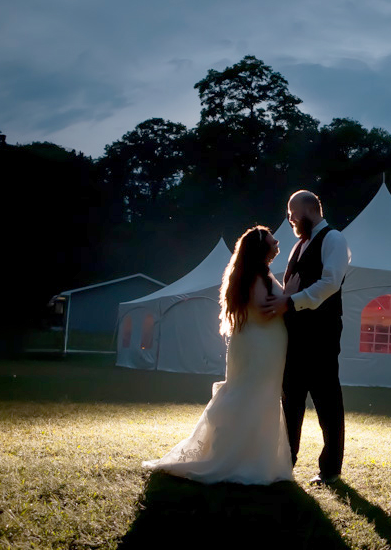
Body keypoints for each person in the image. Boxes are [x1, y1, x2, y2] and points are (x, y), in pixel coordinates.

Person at [141, 226, 300, 485]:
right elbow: (262, 310)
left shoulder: (257, 273)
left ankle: (254, 457)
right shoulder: (255, 276)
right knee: (252, 395)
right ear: (261, 246)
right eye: (273, 238)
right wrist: (290, 295)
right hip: (260, 347)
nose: (277, 240)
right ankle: (240, 459)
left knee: (258, 395)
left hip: (264, 345)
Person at [260, 190, 351, 486]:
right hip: (295, 334)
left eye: (292, 214)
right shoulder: (298, 246)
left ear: (310, 210)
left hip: (322, 333)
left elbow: (330, 283)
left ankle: (330, 470)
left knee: (327, 401)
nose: (289, 220)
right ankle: (286, 463)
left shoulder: (334, 239)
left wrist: (289, 303)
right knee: (291, 400)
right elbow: (288, 285)